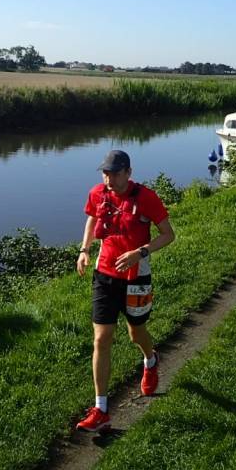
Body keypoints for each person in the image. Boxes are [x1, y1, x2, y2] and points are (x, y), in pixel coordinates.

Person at [75, 149, 176, 432]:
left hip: (136, 277)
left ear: (128, 173)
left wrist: (139, 252)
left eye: (115, 173)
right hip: (104, 275)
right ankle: (101, 409)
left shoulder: (146, 198)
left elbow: (168, 235)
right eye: (105, 173)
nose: (109, 179)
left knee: (136, 333)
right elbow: (92, 218)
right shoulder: (98, 193)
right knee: (101, 338)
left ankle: (150, 359)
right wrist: (84, 250)